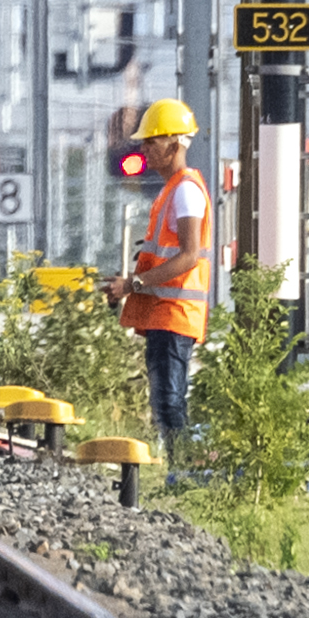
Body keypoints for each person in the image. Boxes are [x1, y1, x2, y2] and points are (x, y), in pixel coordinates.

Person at [117, 99, 214, 457]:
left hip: (175, 311)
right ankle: (180, 466)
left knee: (170, 400)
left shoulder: (185, 191)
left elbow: (188, 255)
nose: (143, 149)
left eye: (150, 142)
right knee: (164, 399)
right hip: (164, 311)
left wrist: (132, 285)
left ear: (173, 145)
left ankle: (183, 470)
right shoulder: (172, 189)